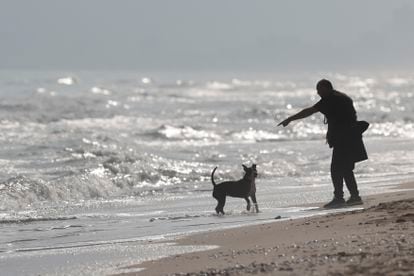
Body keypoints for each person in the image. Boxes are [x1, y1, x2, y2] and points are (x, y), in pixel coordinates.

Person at [278, 79, 368, 208]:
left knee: (336, 169)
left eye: (319, 90)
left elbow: (309, 111)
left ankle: (339, 198)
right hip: (352, 136)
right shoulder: (341, 97)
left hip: (344, 138)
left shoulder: (331, 99)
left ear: (326, 88)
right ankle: (354, 197)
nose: (318, 92)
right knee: (346, 169)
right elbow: (342, 118)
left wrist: (290, 118)